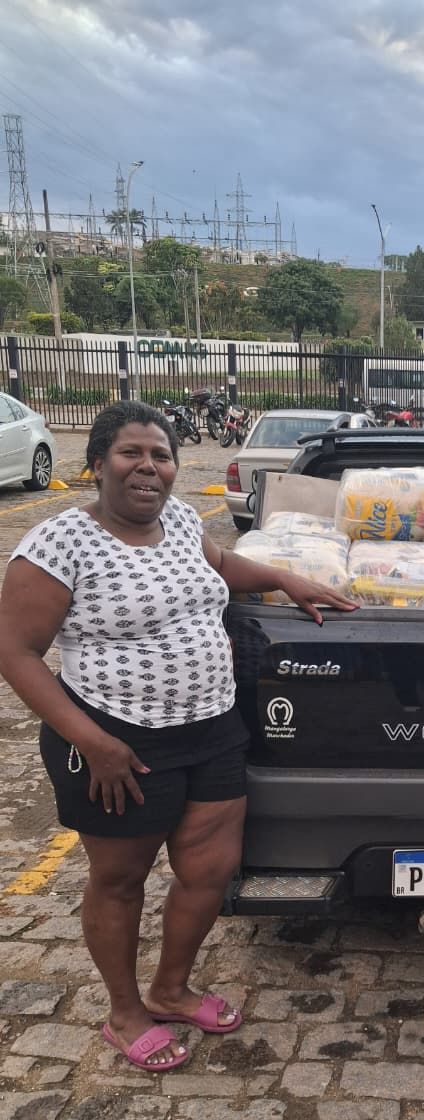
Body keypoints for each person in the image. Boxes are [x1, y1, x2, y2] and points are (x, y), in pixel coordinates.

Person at [0, 401, 357, 1072]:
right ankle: (125, 1012)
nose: (149, 467)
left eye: (160, 456)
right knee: (121, 879)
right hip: (117, 744)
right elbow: (15, 653)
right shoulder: (59, 543)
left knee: (207, 871)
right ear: (97, 463)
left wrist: (283, 578)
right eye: (132, 453)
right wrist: (93, 740)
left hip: (213, 730)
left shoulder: (181, 524)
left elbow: (223, 565)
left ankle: (171, 989)